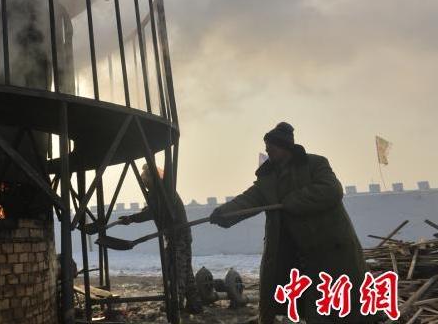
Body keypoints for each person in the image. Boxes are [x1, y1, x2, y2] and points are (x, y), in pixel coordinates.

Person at [209, 122, 371, 323]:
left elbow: (331, 190)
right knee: (307, 301)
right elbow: (248, 200)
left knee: (339, 303)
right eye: (267, 147)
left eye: (271, 147)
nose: (268, 150)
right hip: (291, 251)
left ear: (285, 147)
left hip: (329, 248)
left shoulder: (315, 164)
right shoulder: (268, 178)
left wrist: (292, 201)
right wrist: (223, 213)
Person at [119, 164, 204, 314]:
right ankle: (195, 304)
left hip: (179, 235)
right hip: (173, 236)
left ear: (153, 178)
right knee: (184, 269)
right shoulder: (156, 193)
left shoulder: (163, 191)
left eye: (146, 178)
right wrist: (131, 218)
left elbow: (150, 213)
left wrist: (131, 219)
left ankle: (175, 304)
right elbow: (150, 211)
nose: (144, 181)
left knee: (177, 270)